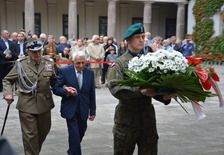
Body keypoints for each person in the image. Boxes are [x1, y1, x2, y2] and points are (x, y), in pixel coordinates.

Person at [107, 23, 175, 155]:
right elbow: (114, 87)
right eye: (137, 36)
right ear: (127, 40)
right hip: (127, 120)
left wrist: (164, 96)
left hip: (147, 119)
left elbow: (154, 87)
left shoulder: (150, 61)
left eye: (143, 36)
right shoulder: (120, 63)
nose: (141, 40)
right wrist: (139, 91)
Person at [3, 38, 57, 155]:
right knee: (30, 135)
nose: (37, 54)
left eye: (39, 51)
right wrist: (8, 93)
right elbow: (7, 80)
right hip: (27, 104)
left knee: (43, 131)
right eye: (34, 52)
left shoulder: (49, 62)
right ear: (28, 51)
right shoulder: (20, 64)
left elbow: (55, 81)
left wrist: (66, 87)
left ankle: (33, 152)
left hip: (45, 104)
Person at [53, 51, 96, 155]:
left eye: (83, 63)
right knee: (74, 134)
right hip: (70, 108)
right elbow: (56, 89)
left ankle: (72, 150)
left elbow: (92, 93)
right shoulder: (64, 71)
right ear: (73, 62)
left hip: (83, 108)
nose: (81, 66)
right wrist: (67, 91)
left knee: (81, 132)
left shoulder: (90, 73)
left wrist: (93, 111)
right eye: (78, 63)